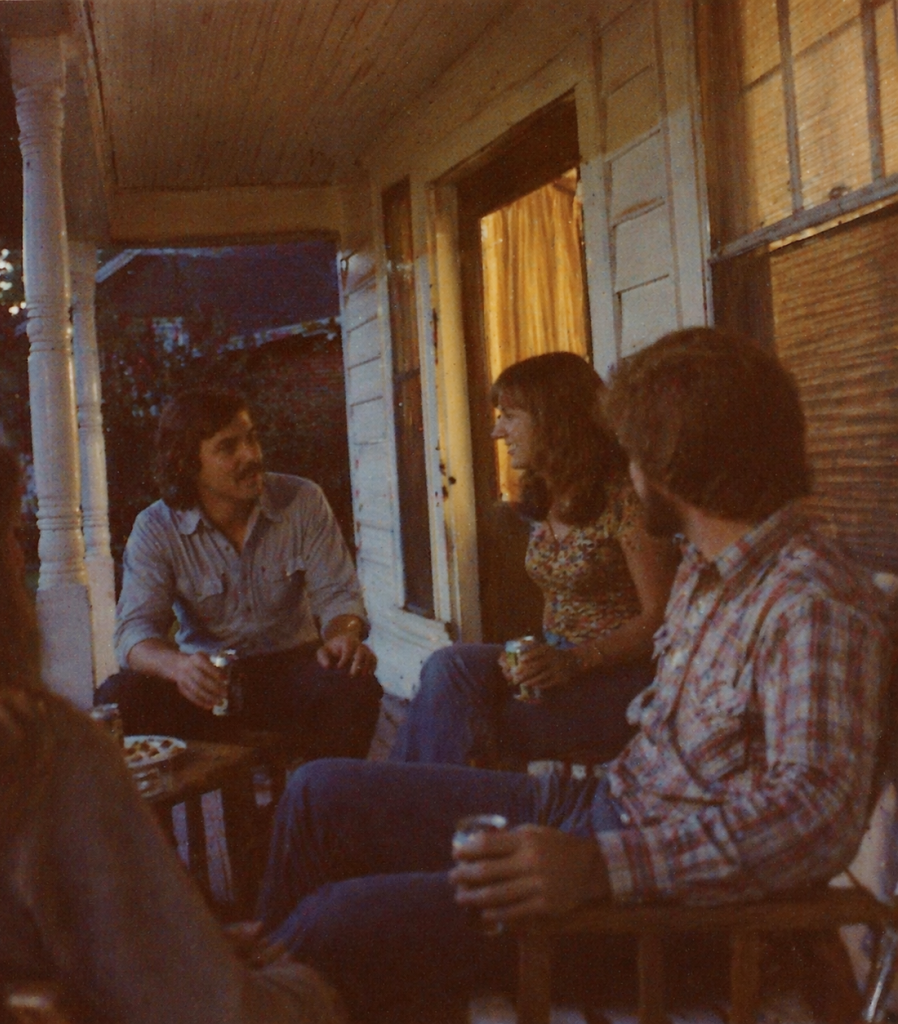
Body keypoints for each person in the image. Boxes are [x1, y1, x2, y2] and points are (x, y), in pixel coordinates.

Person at [254, 328, 891, 1018]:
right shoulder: (709, 572)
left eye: (635, 448)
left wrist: (597, 869)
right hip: (601, 807)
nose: (626, 467)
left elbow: (814, 817)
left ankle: (261, 992)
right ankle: (247, 985)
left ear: (677, 461)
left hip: (660, 913)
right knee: (319, 796)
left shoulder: (811, 603)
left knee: (339, 923)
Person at [0, 415, 345, 1024]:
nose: (21, 553)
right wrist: (304, 986)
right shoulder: (34, 753)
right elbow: (221, 1013)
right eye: (11, 532)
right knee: (343, 925)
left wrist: (180, 946)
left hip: (288, 673)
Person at [390, 352, 678, 766]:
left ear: (553, 418)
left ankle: (428, 810)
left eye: (509, 415)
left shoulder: (626, 502)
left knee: (487, 725)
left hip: (621, 677)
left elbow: (662, 618)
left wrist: (575, 660)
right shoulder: (549, 497)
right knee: (449, 666)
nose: (496, 431)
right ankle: (410, 799)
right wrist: (531, 659)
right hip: (558, 663)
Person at [98, 387, 382, 759]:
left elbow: (339, 597)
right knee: (118, 698)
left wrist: (342, 636)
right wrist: (179, 668)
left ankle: (318, 804)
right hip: (208, 683)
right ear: (187, 463)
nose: (251, 455)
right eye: (228, 447)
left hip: (292, 671)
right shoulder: (156, 527)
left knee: (353, 685)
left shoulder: (301, 500)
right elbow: (134, 633)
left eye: (251, 439)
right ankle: (154, 815)